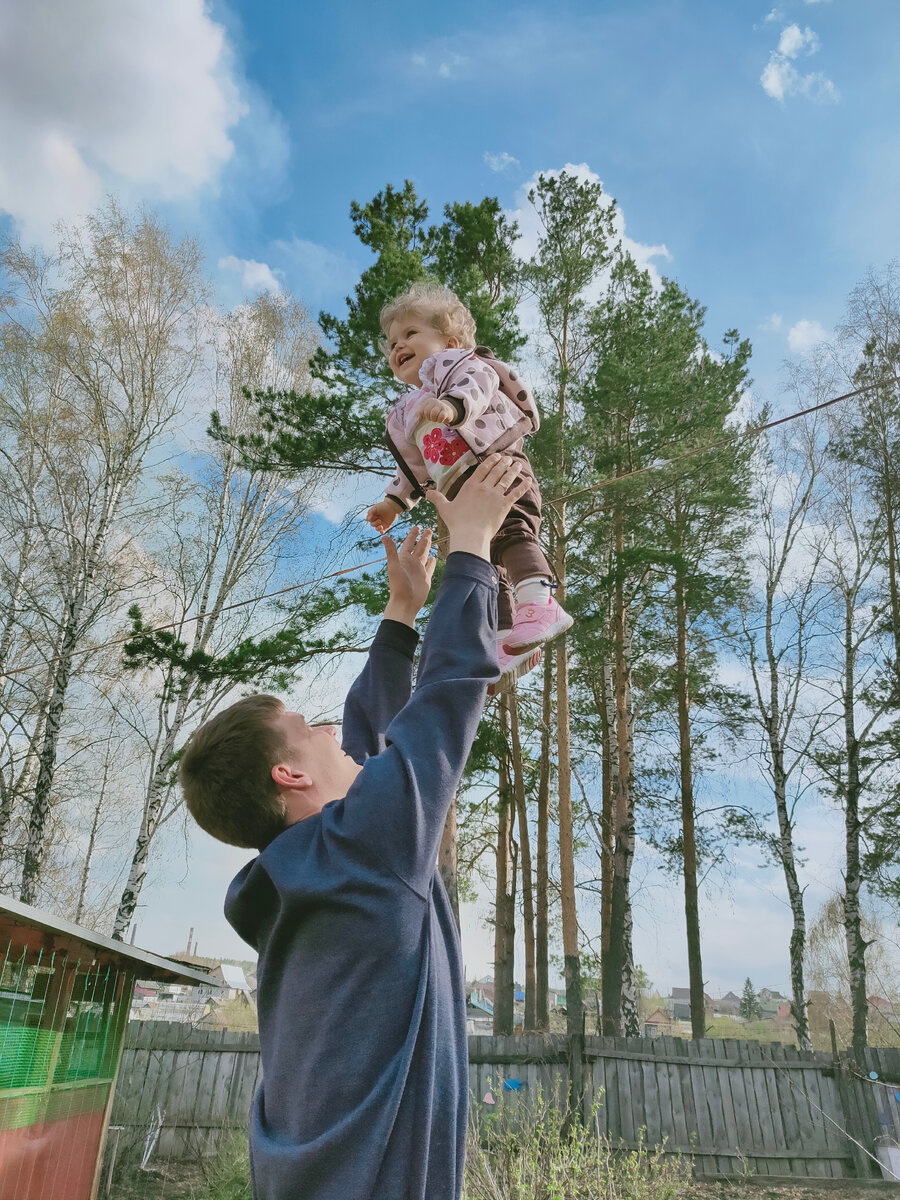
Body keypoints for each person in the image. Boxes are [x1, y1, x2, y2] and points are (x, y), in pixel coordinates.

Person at [178, 455, 530, 1200]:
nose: (332, 728)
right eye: (309, 729)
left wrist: (401, 615)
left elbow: (372, 746)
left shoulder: (312, 875)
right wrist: (469, 547)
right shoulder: (363, 852)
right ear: (290, 775)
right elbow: (441, 707)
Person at [366, 282, 572, 691]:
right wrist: (393, 502)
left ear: (451, 342)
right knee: (486, 566)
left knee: (513, 533)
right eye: (391, 343)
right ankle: (502, 641)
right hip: (462, 497)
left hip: (499, 469)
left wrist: (452, 407)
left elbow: (479, 386)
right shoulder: (404, 411)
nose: (398, 347)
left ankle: (540, 600)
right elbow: (412, 465)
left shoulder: (458, 365)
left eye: (410, 334)